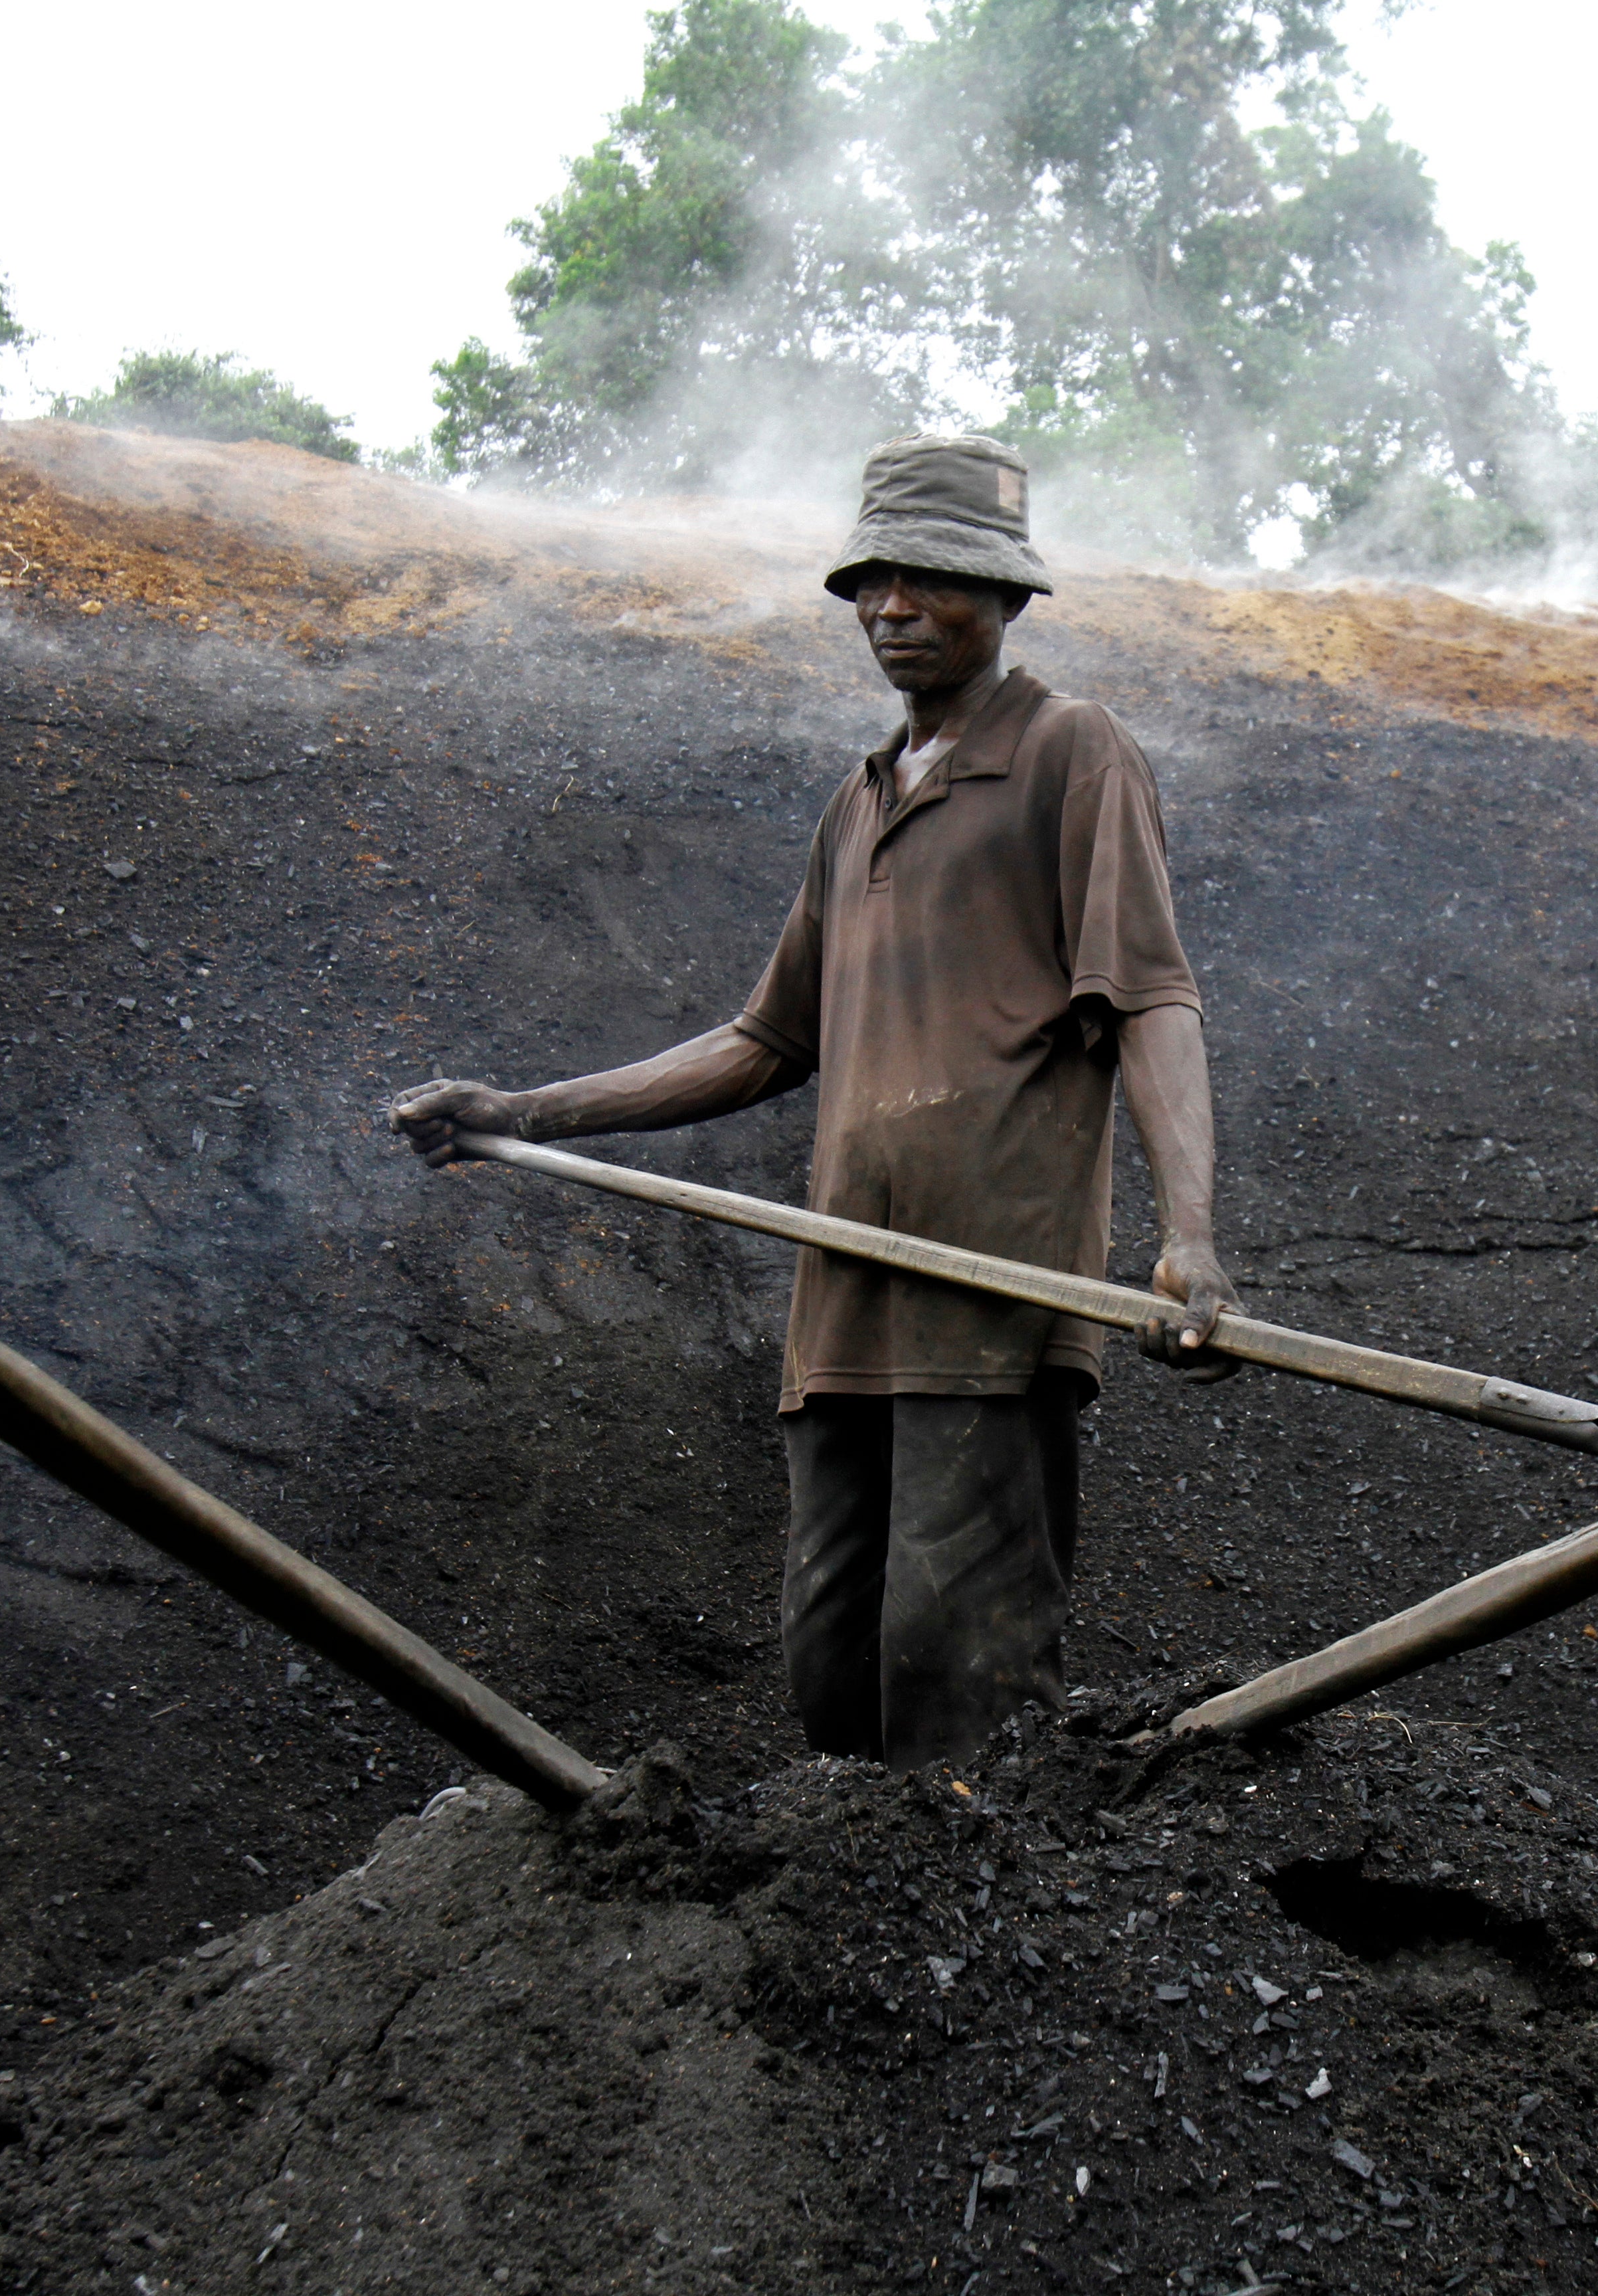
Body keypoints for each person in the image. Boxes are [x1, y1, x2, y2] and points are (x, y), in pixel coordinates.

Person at [391, 432, 1237, 1771]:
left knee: (954, 1664)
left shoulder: (1075, 755)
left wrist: (1189, 1238)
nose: (893, 607)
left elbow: (1149, 998)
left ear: (1010, 596)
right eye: (871, 580)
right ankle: (863, 1923)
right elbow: (760, 1041)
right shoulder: (857, 805)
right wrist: (524, 1113)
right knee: (830, 1654)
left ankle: (979, 1938)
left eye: (931, 578)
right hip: (844, 1297)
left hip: (995, 1294)